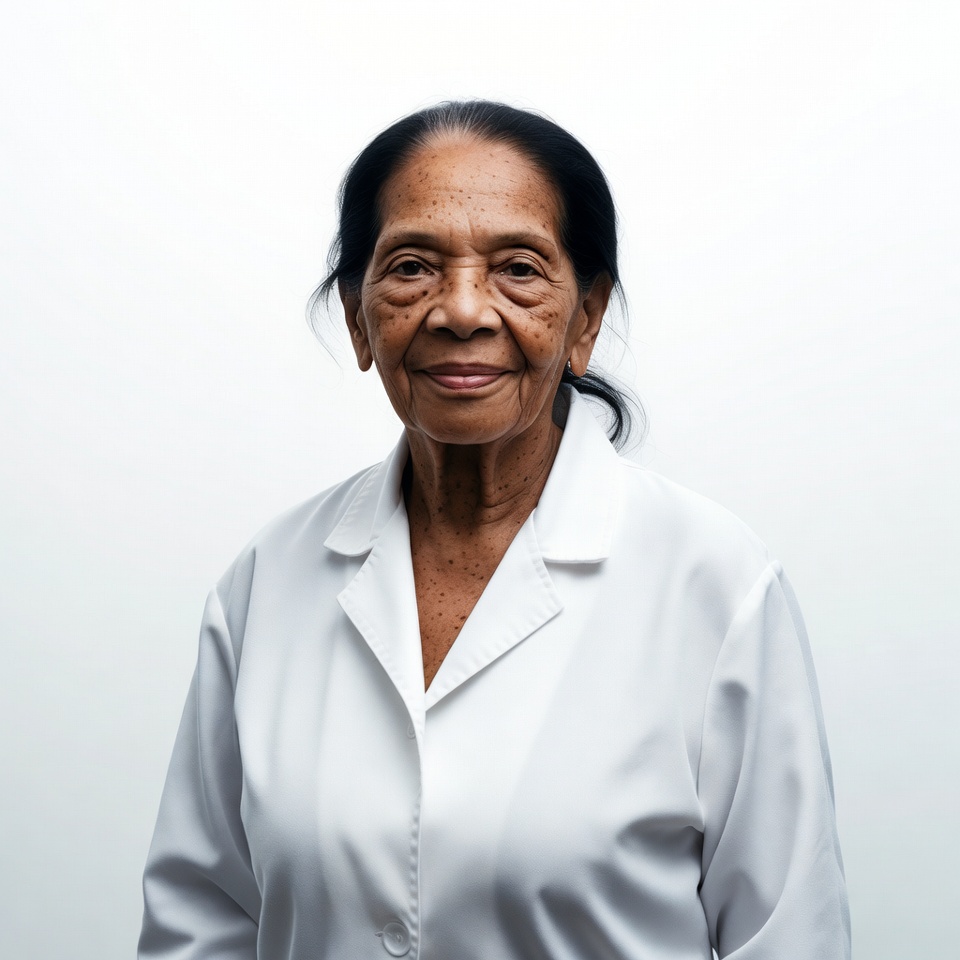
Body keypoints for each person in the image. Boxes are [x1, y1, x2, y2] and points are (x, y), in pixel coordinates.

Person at [138, 101, 850, 959]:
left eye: (518, 268)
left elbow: (789, 937)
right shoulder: (270, 579)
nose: (463, 311)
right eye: (411, 267)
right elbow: (201, 922)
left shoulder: (716, 585)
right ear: (360, 320)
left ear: (585, 319)